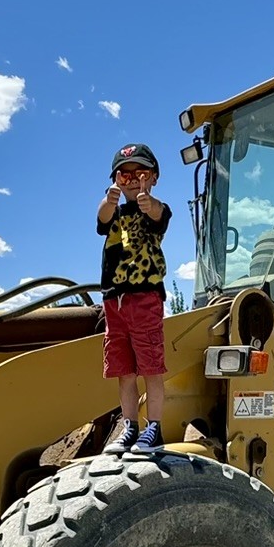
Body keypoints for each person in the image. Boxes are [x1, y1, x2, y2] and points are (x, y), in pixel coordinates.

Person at [97, 142, 171, 454]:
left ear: (153, 177)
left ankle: (154, 428)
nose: (132, 181)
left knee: (151, 368)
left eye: (140, 174)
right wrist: (109, 199)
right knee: (123, 370)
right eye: (124, 176)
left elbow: (158, 215)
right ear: (114, 179)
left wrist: (146, 199)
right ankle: (130, 426)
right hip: (114, 300)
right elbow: (101, 222)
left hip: (144, 297)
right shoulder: (112, 211)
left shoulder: (156, 209)